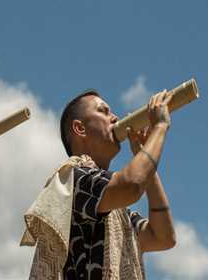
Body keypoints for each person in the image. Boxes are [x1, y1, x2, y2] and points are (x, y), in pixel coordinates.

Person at [59, 89, 177, 279]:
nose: (114, 117)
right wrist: (160, 127)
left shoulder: (117, 215)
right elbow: (132, 185)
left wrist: (142, 153)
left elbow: (163, 237)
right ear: (80, 128)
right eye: (103, 111)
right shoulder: (73, 179)